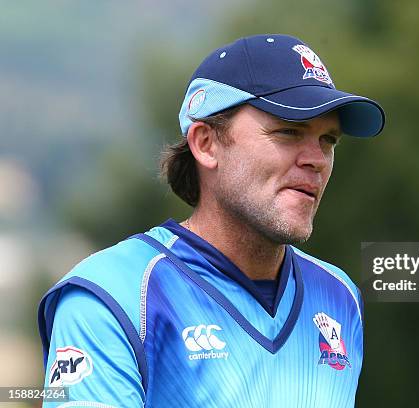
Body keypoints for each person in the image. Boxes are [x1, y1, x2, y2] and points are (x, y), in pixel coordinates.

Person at [38, 34, 385, 407]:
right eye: (288, 131)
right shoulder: (116, 295)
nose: (316, 159)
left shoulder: (338, 295)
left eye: (328, 140)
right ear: (206, 144)